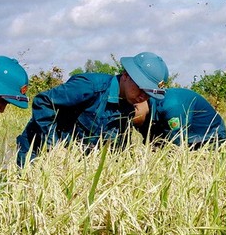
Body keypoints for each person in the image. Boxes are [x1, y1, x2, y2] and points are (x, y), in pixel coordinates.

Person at [16, 51, 169, 165]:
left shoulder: (128, 106)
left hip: (73, 163)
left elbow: (116, 146)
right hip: (37, 152)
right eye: (141, 88)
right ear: (125, 75)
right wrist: (54, 147)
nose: (143, 97)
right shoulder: (89, 86)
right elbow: (43, 101)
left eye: (149, 94)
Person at [134, 87, 226, 149]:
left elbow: (177, 146)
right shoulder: (142, 114)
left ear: (140, 100)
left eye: (133, 113)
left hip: (210, 136)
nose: (132, 117)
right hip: (182, 135)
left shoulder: (171, 106)